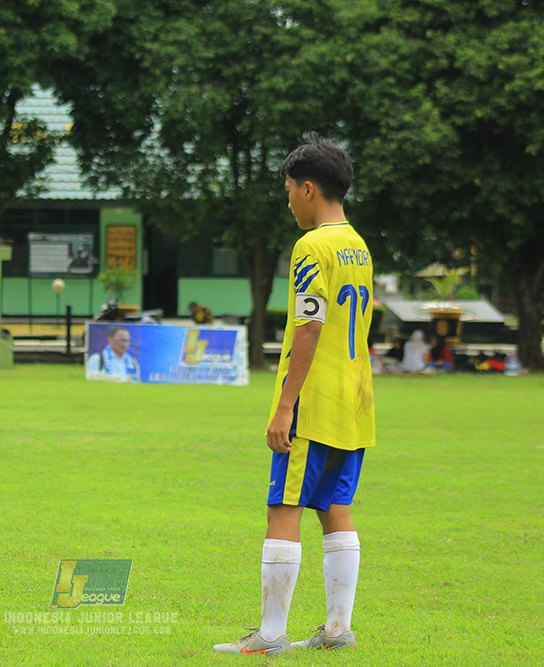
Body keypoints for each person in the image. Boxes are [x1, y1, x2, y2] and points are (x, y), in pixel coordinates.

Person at [214, 134, 374, 655]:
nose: (287, 202)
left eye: (288, 190)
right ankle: (337, 630)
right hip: (355, 400)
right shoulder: (357, 245)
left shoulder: (312, 247)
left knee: (283, 509)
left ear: (308, 189)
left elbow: (310, 327)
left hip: (314, 401)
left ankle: (270, 635)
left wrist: (285, 404)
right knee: (336, 506)